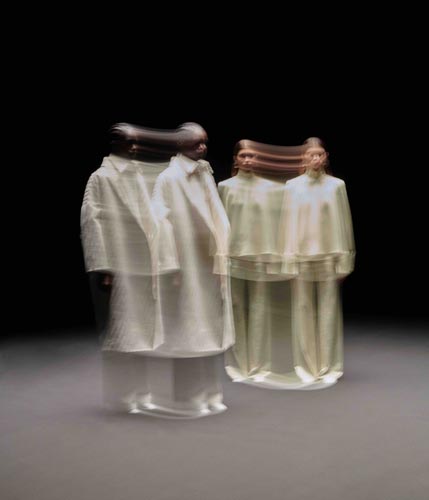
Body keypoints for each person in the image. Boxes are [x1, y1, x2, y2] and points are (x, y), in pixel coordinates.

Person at [219, 140, 306, 388]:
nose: (248, 160)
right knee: (236, 308)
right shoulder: (225, 187)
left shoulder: (270, 189)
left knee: (258, 308)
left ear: (258, 159)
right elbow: (219, 223)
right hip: (234, 255)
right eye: (243, 155)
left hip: (261, 255)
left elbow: (284, 218)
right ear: (236, 159)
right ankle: (238, 364)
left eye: (252, 156)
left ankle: (257, 365)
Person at [278, 137, 355, 385]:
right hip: (301, 257)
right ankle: (306, 365)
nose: (315, 158)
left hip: (328, 256)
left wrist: (345, 259)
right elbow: (286, 225)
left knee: (329, 311)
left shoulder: (336, 186)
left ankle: (329, 365)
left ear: (326, 157)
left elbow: (344, 222)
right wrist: (287, 259)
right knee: (303, 310)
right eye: (311, 154)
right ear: (303, 157)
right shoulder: (292, 187)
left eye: (319, 154)